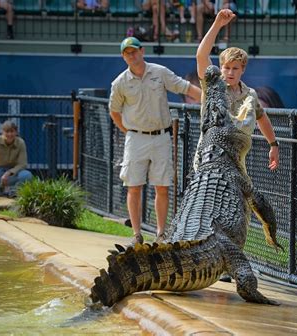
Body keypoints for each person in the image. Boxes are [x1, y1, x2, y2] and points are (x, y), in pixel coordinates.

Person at [196, 9, 279, 281]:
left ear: (242, 69)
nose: (229, 72)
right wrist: (218, 24)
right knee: (210, 209)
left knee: (239, 214)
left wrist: (273, 144)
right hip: (210, 160)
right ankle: (205, 259)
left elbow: (262, 118)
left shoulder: (250, 94)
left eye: (234, 68)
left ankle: (229, 265)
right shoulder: (213, 85)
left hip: (237, 163)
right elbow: (201, 56)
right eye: (226, 67)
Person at [110, 37, 201, 245]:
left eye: (134, 51)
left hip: (161, 137)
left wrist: (208, 98)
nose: (131, 55)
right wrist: (130, 132)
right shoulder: (120, 83)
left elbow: (185, 87)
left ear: (142, 51)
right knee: (134, 186)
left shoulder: (159, 72)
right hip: (135, 138)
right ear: (123, 56)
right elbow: (114, 112)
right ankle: (136, 235)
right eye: (127, 53)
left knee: (162, 186)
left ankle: (160, 234)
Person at [0, 120, 33, 196]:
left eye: (12, 131)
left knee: (26, 175)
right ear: (2, 132)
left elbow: (22, 164)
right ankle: (0, 190)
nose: (10, 134)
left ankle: (14, 193)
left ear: (16, 132)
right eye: (7, 132)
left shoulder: (21, 142)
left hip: (12, 173)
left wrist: (9, 173)